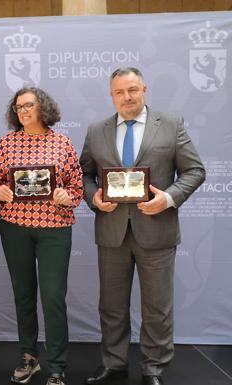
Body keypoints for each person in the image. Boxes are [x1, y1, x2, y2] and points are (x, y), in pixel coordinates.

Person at [80, 67, 205, 385]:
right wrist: (95, 198)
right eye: (119, 92)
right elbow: (84, 175)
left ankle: (154, 368)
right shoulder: (96, 130)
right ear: (111, 95)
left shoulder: (171, 124)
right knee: (111, 306)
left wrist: (169, 198)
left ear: (145, 90)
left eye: (132, 90)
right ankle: (114, 364)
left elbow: (194, 170)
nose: (127, 97)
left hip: (157, 228)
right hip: (112, 230)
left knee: (157, 307)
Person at [0, 87, 83, 385]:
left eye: (29, 105)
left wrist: (65, 194)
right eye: (18, 107)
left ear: (43, 107)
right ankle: (28, 357)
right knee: (23, 296)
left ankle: (57, 365)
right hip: (15, 228)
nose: (23, 110)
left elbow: (77, 187)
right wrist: (0, 192)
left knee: (53, 297)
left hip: (54, 230)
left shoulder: (62, 142)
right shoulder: (6, 143)